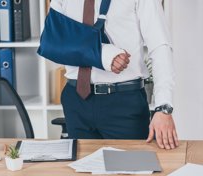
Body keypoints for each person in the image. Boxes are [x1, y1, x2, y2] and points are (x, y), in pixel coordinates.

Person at [51, 0, 179, 150]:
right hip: (77, 99)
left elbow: (160, 46)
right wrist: (103, 55)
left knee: (132, 170)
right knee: (81, 169)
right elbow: (54, 40)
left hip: (124, 103)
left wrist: (163, 106)